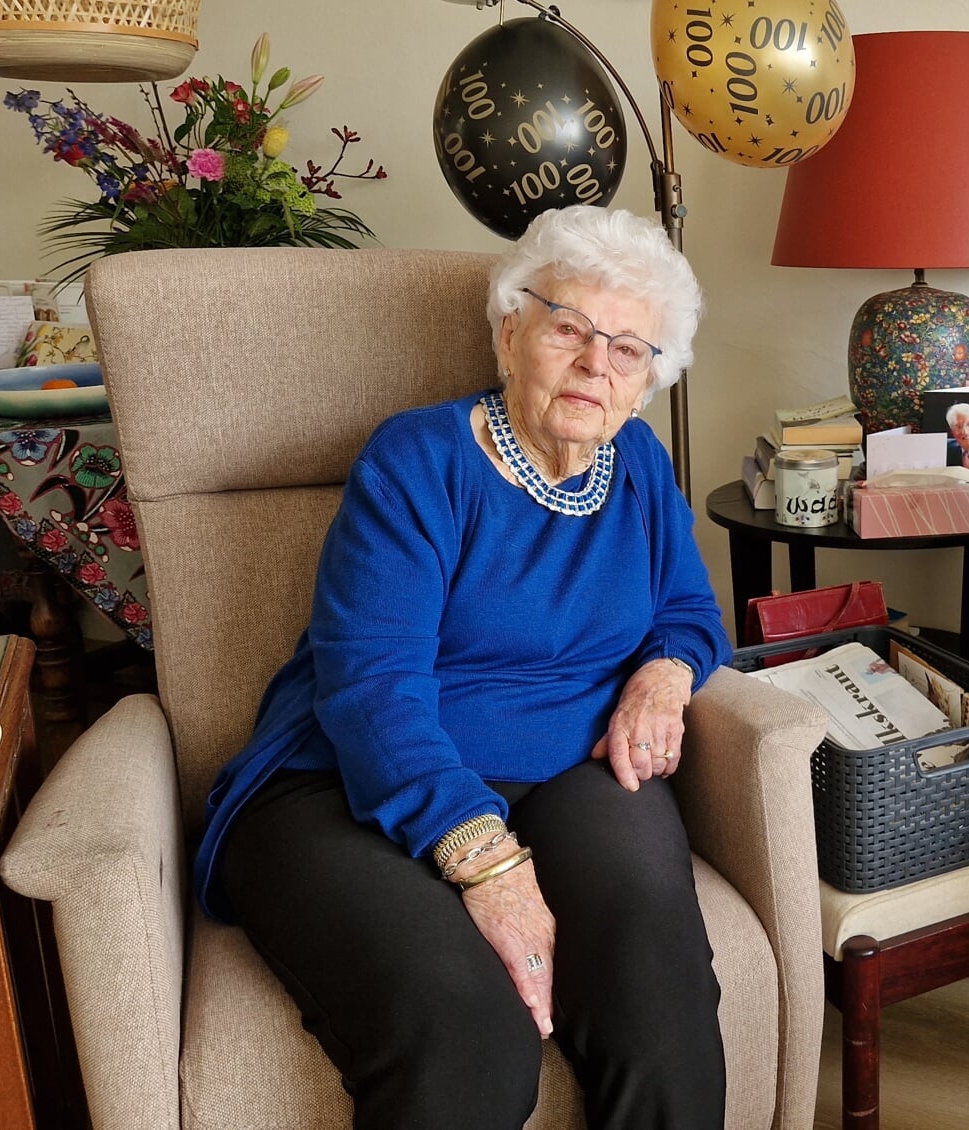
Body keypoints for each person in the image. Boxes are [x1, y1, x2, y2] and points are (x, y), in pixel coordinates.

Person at [191, 205, 731, 1130]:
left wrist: (666, 674)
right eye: (570, 328)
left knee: (661, 1006)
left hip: (568, 770)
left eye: (630, 349)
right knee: (468, 1033)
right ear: (510, 329)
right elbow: (368, 688)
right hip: (343, 781)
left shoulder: (638, 461)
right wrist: (489, 865)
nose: (597, 364)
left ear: (649, 380)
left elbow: (687, 612)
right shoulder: (417, 460)